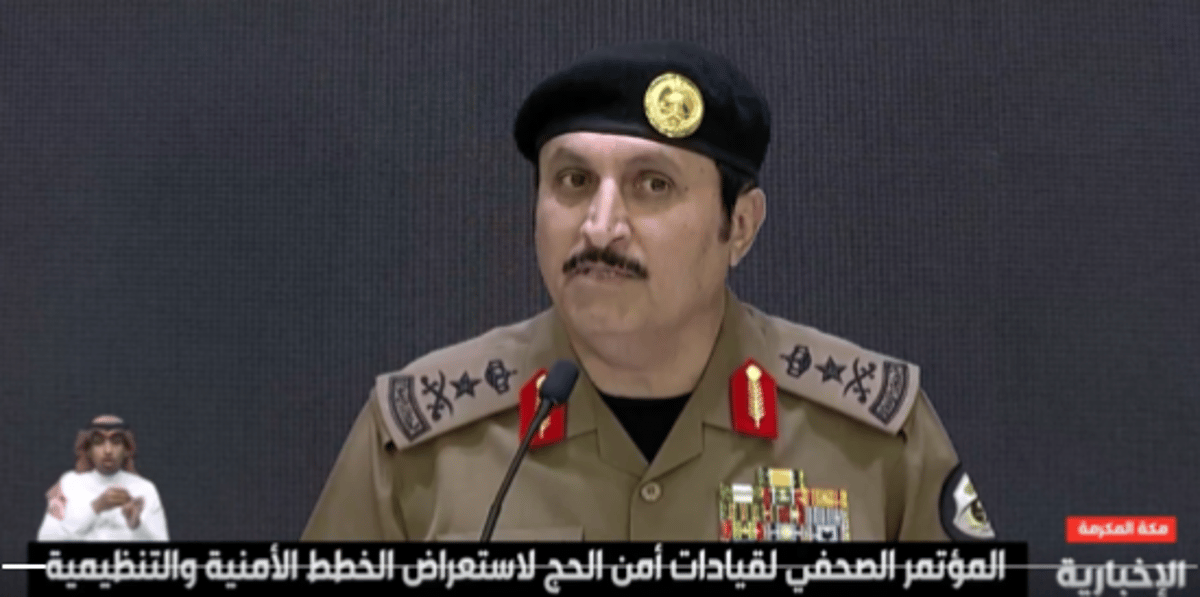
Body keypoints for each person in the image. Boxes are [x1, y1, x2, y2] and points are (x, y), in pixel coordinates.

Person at [303, 40, 995, 542]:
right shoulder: (421, 443)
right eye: (573, 181)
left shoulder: (875, 437)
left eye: (652, 185)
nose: (600, 226)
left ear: (740, 225)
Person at [37, 414, 169, 541]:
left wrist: (137, 526)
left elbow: (163, 549)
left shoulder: (146, 489)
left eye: (116, 441)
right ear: (87, 449)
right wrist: (96, 507)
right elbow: (45, 539)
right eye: (98, 441)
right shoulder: (67, 484)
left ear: (127, 449)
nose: (108, 450)